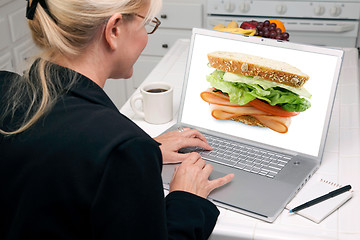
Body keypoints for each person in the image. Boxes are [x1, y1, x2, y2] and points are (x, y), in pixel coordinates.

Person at [0, 0, 234, 239]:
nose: (146, 36)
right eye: (146, 25)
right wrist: (187, 199)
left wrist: (137, 156)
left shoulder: (4, 87)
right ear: (114, 30)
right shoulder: (122, 147)